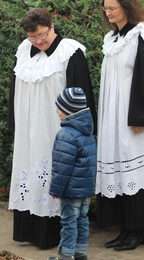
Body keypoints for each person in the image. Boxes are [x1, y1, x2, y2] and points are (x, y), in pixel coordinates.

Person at [8, 8, 97, 249]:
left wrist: (82, 129)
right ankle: (29, 230)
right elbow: (14, 89)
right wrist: (14, 122)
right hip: (28, 127)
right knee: (29, 168)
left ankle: (53, 235)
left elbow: (82, 93)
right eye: (32, 37)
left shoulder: (70, 52)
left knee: (56, 172)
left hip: (56, 128)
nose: (38, 42)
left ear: (52, 27)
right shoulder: (23, 51)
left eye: (42, 36)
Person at [95, 0, 144, 251]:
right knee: (119, 169)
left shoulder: (140, 35)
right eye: (106, 8)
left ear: (126, 5)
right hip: (112, 116)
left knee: (134, 171)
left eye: (112, 7)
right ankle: (126, 228)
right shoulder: (111, 39)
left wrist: (140, 116)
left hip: (132, 116)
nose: (109, 12)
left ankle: (138, 230)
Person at [47, 87, 96, 260]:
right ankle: (80, 253)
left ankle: (65, 256)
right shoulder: (87, 132)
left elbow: (62, 167)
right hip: (85, 189)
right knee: (82, 220)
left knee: (68, 222)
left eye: (59, 108)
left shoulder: (66, 134)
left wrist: (55, 190)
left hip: (71, 190)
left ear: (69, 111)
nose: (56, 111)